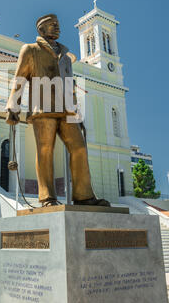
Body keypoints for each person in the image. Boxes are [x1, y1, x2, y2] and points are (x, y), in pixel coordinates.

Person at [6, 13, 110, 208]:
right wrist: (13, 105)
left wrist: (76, 111)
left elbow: (70, 85)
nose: (57, 27)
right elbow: (19, 78)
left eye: (58, 24)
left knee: (79, 148)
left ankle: (84, 196)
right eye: (52, 24)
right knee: (45, 151)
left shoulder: (66, 56)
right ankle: (47, 198)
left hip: (67, 112)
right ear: (41, 29)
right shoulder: (29, 50)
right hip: (43, 108)